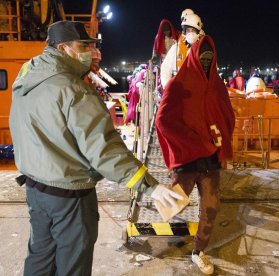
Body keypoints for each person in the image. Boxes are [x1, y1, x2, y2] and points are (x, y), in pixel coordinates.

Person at [9, 21, 183, 275]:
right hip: (69, 196)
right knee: (73, 262)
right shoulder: (75, 90)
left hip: (35, 187)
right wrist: (149, 186)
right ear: (63, 48)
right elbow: (105, 151)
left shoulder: (28, 76)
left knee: (40, 255)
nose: (92, 53)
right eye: (83, 46)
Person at [155, 35, 235, 274]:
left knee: (211, 206)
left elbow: (227, 116)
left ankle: (199, 250)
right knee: (175, 204)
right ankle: (158, 207)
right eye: (203, 57)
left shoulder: (217, 84)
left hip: (210, 159)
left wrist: (221, 141)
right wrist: (188, 142)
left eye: (211, 58)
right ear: (195, 56)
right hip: (188, 158)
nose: (207, 61)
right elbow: (163, 120)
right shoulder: (179, 83)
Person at [160, 12, 203, 88]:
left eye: (193, 30)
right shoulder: (176, 48)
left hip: (199, 91)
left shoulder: (204, 48)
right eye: (188, 30)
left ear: (198, 32)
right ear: (184, 31)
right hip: (180, 91)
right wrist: (168, 87)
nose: (191, 33)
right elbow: (165, 68)